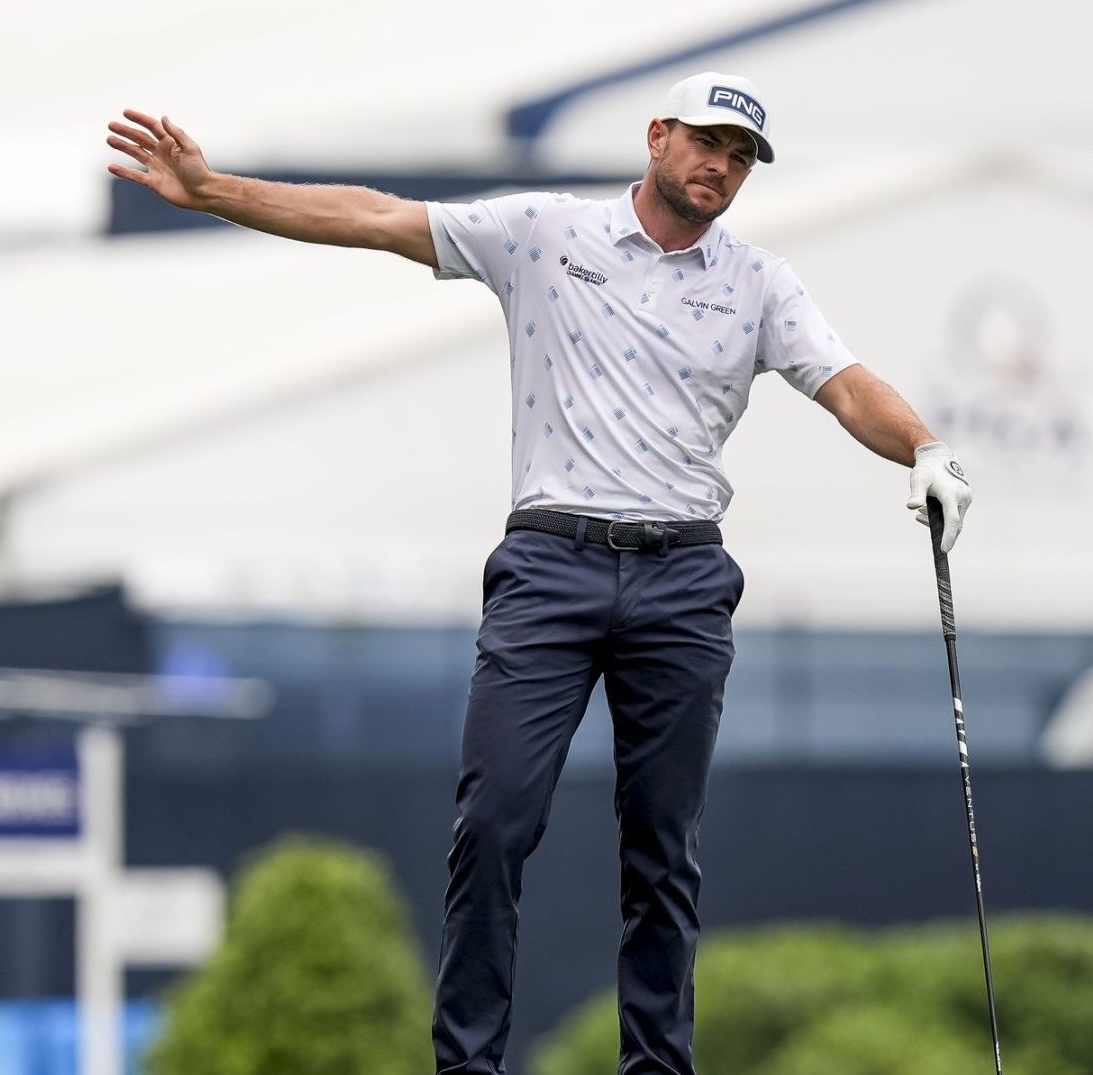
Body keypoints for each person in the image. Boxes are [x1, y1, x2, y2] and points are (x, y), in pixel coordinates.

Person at [105, 71, 972, 1075]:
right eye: (705, 143)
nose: (719, 167)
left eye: (738, 158)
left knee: (662, 852)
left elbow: (847, 385)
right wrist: (217, 193)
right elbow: (378, 217)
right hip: (548, 567)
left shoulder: (759, 283)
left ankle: (656, 1066)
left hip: (683, 578)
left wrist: (922, 448)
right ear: (656, 136)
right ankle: (466, 1064)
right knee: (493, 824)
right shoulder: (545, 234)